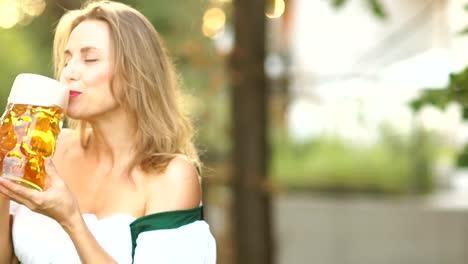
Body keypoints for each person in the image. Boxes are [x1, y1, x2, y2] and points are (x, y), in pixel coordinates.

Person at [0, 1, 216, 263]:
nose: (69, 73)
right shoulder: (45, 151)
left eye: (90, 59)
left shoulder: (170, 177)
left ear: (135, 73)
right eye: (67, 60)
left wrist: (71, 220)